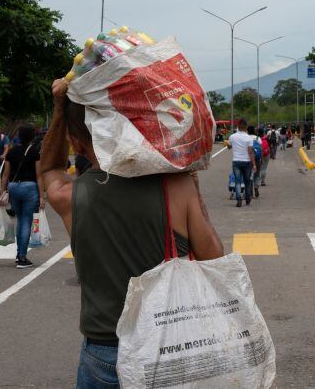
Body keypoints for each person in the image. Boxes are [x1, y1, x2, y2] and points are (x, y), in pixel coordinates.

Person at [37, 79, 223, 388]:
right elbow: (214, 259)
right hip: (169, 347)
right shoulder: (177, 187)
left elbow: (48, 168)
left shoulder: (69, 196)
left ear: (77, 143)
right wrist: (191, 182)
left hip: (104, 352)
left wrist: (59, 108)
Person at [0, 124, 43, 268]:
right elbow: (39, 175)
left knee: (20, 220)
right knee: (26, 221)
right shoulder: (35, 152)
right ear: (32, 137)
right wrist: (42, 197)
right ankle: (22, 257)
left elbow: (5, 175)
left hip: (14, 187)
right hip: (30, 188)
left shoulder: (11, 152)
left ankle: (19, 255)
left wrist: (2, 193)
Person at [226, 119, 256, 208]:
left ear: (238, 127)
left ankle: (239, 200)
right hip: (247, 162)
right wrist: (254, 164)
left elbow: (229, 146)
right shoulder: (249, 138)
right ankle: (247, 199)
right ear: (246, 127)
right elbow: (251, 152)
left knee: (237, 182)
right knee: (247, 182)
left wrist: (229, 145)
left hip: (236, 162)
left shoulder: (232, 136)